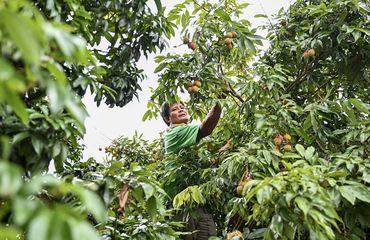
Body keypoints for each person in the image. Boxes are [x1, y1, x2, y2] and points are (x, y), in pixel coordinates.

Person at [160, 101, 222, 240]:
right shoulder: (175, 133)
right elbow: (205, 128)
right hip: (179, 204)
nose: (181, 110)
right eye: (175, 109)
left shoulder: (190, 139)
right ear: (168, 119)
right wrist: (219, 101)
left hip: (198, 202)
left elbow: (207, 162)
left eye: (182, 107)